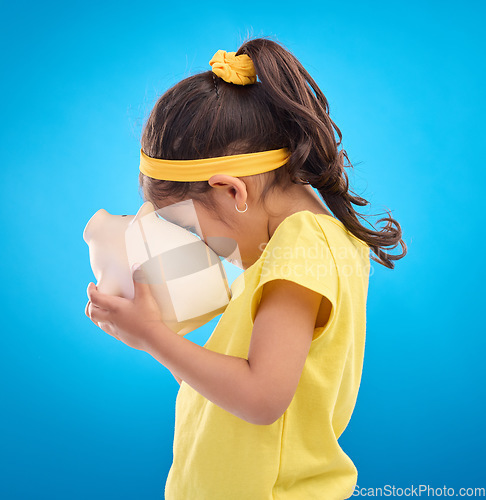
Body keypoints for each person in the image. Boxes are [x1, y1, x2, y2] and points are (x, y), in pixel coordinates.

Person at [85, 36, 407, 499]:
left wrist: (153, 335)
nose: (204, 249)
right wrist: (155, 337)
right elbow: (229, 385)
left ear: (233, 191)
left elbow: (261, 400)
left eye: (194, 230)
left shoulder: (304, 245)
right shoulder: (285, 248)